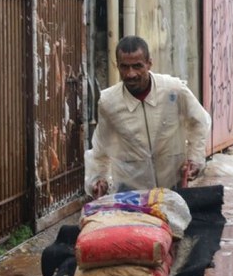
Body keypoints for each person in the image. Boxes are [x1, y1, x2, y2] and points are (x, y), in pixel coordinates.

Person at [85, 36, 210, 199]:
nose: (131, 74)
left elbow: (199, 121)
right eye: (125, 67)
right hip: (130, 192)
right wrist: (98, 179)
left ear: (149, 63)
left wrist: (195, 158)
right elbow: (101, 147)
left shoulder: (173, 89)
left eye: (137, 66)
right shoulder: (108, 102)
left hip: (172, 186)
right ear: (117, 66)